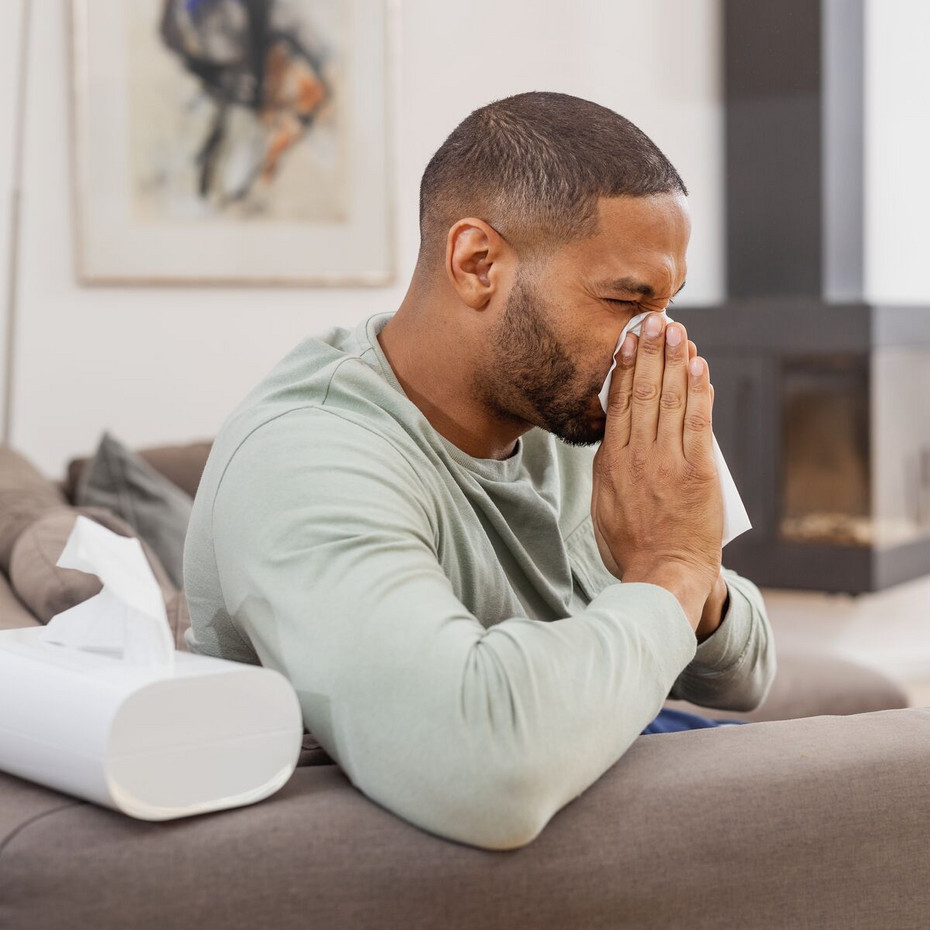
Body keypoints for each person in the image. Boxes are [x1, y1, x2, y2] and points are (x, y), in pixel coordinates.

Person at [183, 91, 775, 849]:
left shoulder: (568, 410)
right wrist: (668, 569)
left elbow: (747, 673)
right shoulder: (305, 455)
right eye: (626, 299)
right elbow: (481, 765)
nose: (654, 340)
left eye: (665, 302)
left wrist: (694, 573)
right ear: (477, 263)